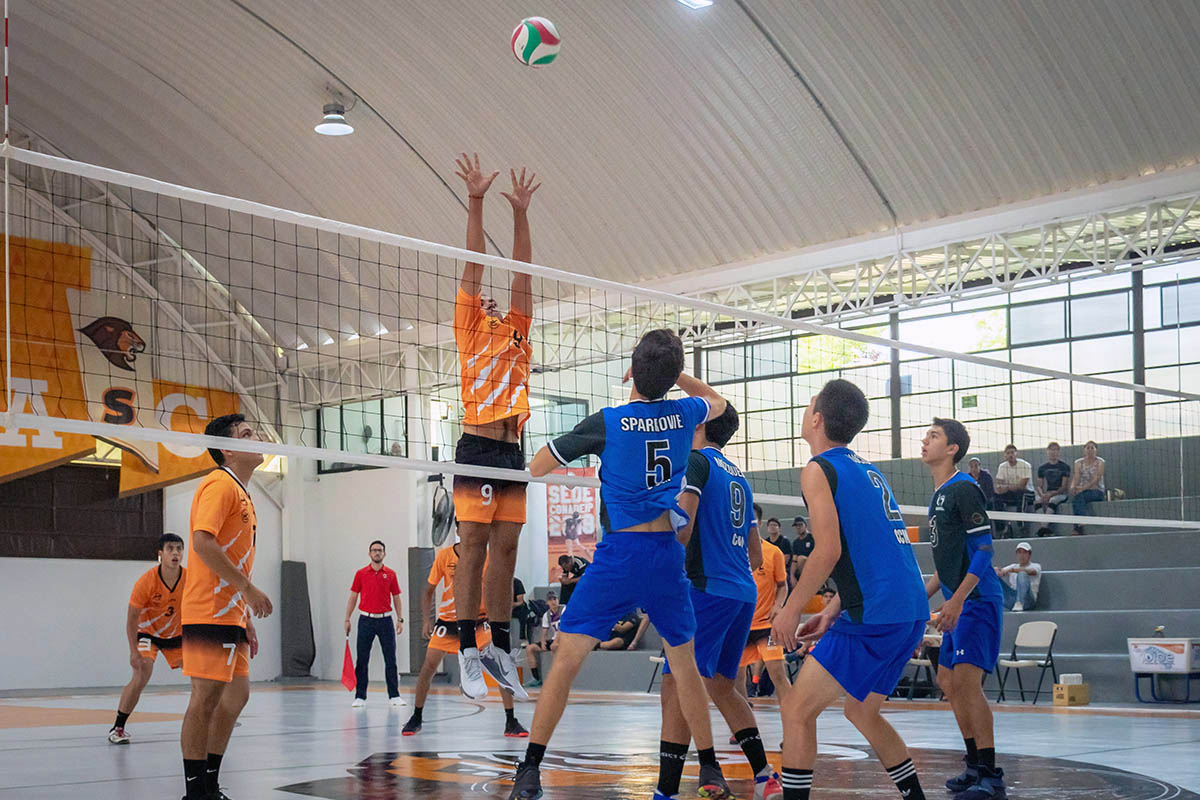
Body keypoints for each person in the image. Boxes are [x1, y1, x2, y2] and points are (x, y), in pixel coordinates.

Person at [508, 328, 731, 800]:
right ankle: (710, 769)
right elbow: (717, 401)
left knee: (566, 661)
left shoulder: (608, 421)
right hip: (667, 555)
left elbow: (539, 466)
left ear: (633, 366)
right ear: (671, 377)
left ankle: (530, 771)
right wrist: (675, 377)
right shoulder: (684, 410)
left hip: (620, 555)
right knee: (686, 666)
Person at [771, 379, 930, 800]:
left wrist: (791, 608)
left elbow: (828, 550)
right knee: (861, 710)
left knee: (796, 708)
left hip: (876, 615)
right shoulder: (867, 470)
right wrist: (833, 608)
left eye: (809, 406)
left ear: (818, 419)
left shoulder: (818, 469)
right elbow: (872, 549)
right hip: (908, 609)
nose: (805, 412)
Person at [659, 402, 784, 800]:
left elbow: (683, 526)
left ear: (700, 425)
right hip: (742, 593)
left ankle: (670, 788)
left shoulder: (696, 462)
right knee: (723, 688)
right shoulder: (739, 477)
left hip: (706, 589)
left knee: (675, 685)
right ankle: (765, 774)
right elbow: (755, 556)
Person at [450, 153, 539, 702]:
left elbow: (523, 273)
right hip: (477, 442)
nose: (485, 295)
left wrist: (522, 214)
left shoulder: (518, 330)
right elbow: (474, 262)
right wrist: (478, 199)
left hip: (513, 450)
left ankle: (499, 647)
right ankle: (466, 649)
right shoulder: (468, 325)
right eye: (478, 294)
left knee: (508, 549)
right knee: (474, 546)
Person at [180, 414, 272, 800]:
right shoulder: (220, 484)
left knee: (236, 696)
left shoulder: (241, 490)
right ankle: (195, 791)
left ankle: (210, 784)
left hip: (230, 611)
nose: (258, 437)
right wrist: (248, 589)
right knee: (204, 699)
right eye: (247, 434)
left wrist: (244, 612)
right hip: (209, 608)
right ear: (228, 449)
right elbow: (203, 543)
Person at [920, 418, 1007, 800]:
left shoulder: (964, 488)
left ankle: (991, 774)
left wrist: (956, 600)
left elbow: (985, 550)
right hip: (958, 601)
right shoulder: (938, 493)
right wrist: (920, 598)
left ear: (953, 448)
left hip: (977, 600)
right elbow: (947, 563)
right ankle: (973, 767)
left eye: (934, 436)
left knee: (968, 686)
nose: (925, 440)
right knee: (948, 683)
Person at [402, 539, 526, 738]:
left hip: (479, 620)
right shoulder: (444, 555)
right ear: (461, 529)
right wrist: (427, 620)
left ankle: (511, 719)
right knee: (428, 667)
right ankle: (416, 716)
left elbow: (500, 587)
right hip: (449, 620)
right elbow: (428, 591)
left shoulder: (488, 555)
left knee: (499, 662)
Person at [109, 533, 187, 744]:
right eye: (170, 548)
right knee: (142, 673)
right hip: (148, 634)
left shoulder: (190, 578)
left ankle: (211, 717)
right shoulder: (146, 581)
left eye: (179, 548)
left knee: (201, 673)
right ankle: (118, 727)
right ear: (160, 554)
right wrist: (133, 651)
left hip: (176, 635)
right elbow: (131, 619)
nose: (176, 553)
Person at [343, 541, 405, 708]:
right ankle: (360, 696)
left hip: (385, 620)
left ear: (384, 554)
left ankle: (394, 695)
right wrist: (347, 618)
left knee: (390, 659)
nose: (377, 553)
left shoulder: (391, 574)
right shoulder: (361, 574)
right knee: (362, 660)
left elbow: (396, 597)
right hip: (366, 620)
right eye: (374, 550)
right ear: (369, 553)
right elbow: (353, 597)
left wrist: (400, 619)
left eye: (380, 550)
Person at [739, 535, 791, 707]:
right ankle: (742, 727)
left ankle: (793, 723)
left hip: (766, 625)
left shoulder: (773, 552)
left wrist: (778, 605)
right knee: (735, 676)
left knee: (777, 672)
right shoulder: (732, 549)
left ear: (758, 522)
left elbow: (783, 585)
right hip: (740, 624)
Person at [524, 591, 564, 687]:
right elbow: (544, 632)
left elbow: (564, 628)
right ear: (547, 603)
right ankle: (536, 678)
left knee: (555, 647)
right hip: (555, 639)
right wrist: (542, 642)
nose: (553, 602)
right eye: (550, 600)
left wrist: (555, 641)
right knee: (530, 648)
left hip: (566, 638)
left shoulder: (564, 609)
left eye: (555, 599)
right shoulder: (547, 615)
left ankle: (558, 677)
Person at [993, 445, 1032, 538]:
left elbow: (1022, 486)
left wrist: (1005, 487)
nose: (1010, 455)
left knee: (1021, 496)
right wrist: (1002, 488)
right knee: (996, 496)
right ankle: (1001, 529)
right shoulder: (1002, 466)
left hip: (1027, 492)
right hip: (1010, 493)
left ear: (1016, 454)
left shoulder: (1025, 465)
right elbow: (999, 486)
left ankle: (1021, 527)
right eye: (1008, 453)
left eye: (1012, 452)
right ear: (1005, 455)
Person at [1069, 441, 1106, 534]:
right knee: (1077, 498)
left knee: (1080, 497)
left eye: (1092, 448)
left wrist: (1083, 488)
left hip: (1097, 491)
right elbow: (1076, 477)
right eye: (1088, 448)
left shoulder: (1100, 462)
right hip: (1082, 491)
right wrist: (1073, 487)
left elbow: (1097, 478)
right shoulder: (1078, 463)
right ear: (1084, 450)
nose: (1090, 450)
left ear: (1096, 450)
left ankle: (1079, 524)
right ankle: (1079, 526)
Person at [997, 542, 1042, 612]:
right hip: (1012, 598)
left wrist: (1013, 570)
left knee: (1022, 574)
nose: (1022, 555)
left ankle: (1020, 602)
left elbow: (1032, 571)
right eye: (1019, 553)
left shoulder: (1036, 566)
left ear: (1029, 555)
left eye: (1025, 553)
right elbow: (1001, 571)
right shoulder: (1012, 566)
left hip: (1028, 600)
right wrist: (996, 570)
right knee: (993, 577)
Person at [1035, 442, 1071, 515]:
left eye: (1055, 450)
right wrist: (1042, 495)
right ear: (1047, 451)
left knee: (1053, 500)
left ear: (1058, 452)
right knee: (1037, 501)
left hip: (1060, 494)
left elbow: (1064, 487)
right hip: (1046, 493)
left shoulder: (1065, 467)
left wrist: (1051, 494)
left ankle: (1044, 524)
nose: (1053, 452)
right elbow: (1039, 486)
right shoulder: (1042, 468)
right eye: (1051, 450)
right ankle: (1044, 525)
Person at [790, 516, 813, 587]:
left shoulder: (813, 538)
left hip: (814, 565)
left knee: (801, 558)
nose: (798, 527)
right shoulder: (796, 542)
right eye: (796, 526)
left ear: (805, 525)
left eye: (800, 525)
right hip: (801, 569)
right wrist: (792, 576)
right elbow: (794, 560)